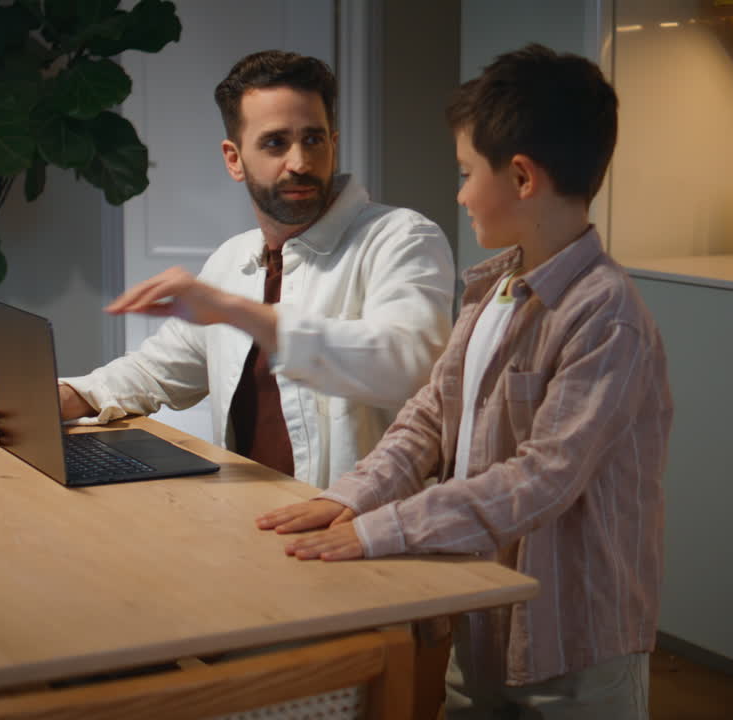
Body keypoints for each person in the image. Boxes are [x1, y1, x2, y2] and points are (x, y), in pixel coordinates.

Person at [256, 44, 673, 719]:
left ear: (521, 177)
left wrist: (383, 529)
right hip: (483, 619)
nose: (458, 192)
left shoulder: (607, 316)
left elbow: (541, 479)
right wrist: (354, 498)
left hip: (574, 649)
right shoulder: (496, 288)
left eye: (464, 172)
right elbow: (429, 413)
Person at [0, 50, 455, 489]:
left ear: (333, 142)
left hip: (359, 531)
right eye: (275, 143)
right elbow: (161, 369)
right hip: (248, 519)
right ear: (234, 159)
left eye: (313, 139)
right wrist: (67, 397)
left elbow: (410, 365)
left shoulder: (402, 237)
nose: (300, 162)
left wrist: (238, 312)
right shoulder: (233, 258)